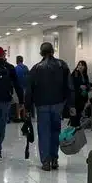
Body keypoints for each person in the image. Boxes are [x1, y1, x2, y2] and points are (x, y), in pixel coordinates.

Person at [24, 42, 74, 171]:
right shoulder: (62, 65)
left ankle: (46, 161)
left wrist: (27, 107)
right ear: (52, 51)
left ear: (41, 52)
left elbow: (29, 90)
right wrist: (71, 105)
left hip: (42, 105)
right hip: (58, 104)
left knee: (44, 132)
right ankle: (54, 158)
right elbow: (69, 87)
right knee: (55, 131)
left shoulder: (36, 68)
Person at [70, 61, 91, 127]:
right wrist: (80, 86)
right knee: (74, 116)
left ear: (85, 67)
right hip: (76, 97)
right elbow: (73, 83)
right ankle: (73, 129)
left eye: (82, 65)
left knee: (79, 114)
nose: (80, 66)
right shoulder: (76, 73)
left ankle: (77, 129)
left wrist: (87, 87)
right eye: (79, 65)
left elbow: (87, 84)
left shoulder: (85, 75)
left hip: (83, 97)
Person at [15, 56, 29, 121]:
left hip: (18, 88)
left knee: (18, 102)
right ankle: (24, 116)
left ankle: (18, 117)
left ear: (17, 60)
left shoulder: (16, 68)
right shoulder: (26, 68)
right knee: (24, 102)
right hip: (25, 87)